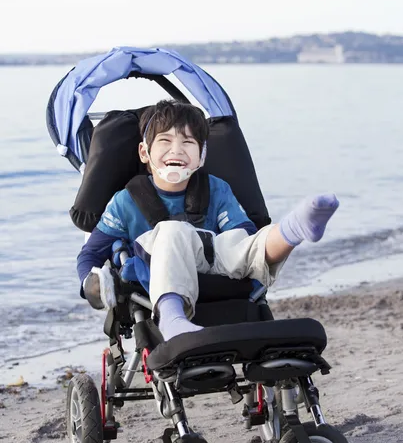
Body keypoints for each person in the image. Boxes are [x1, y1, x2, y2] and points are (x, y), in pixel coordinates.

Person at [78, 100, 339, 341]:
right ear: (144, 153)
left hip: (211, 259)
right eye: (165, 141)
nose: (176, 150)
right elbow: (91, 254)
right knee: (172, 231)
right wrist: (90, 282)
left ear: (202, 154)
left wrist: (243, 242)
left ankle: (294, 228)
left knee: (240, 241)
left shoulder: (216, 189)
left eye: (188, 143)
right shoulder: (125, 201)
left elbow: (240, 236)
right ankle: (172, 318)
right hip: (155, 264)